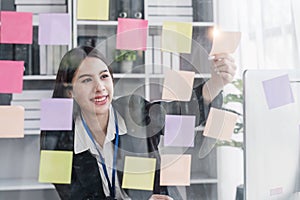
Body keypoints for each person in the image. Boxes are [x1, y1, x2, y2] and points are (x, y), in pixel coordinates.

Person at [40, 45, 236, 200]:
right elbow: (73, 196)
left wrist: (215, 84)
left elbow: (181, 113)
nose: (100, 88)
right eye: (86, 80)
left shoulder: (134, 111)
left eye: (104, 76)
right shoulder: (59, 140)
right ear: (69, 92)